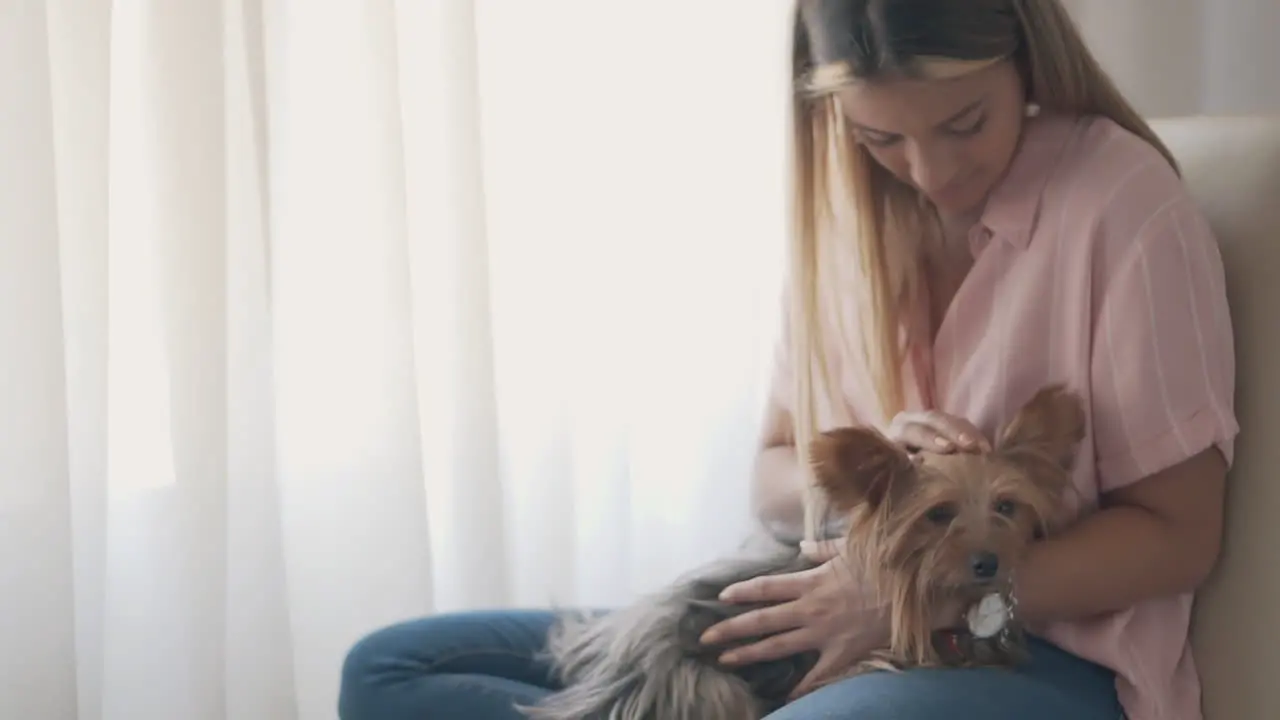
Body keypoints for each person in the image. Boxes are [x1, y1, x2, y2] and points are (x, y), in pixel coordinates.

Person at [337, 1, 1237, 718]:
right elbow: (771, 473)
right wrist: (879, 472)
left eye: (965, 123)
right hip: (816, 610)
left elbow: (1180, 536)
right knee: (392, 672)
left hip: (1029, 651)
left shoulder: (1124, 208)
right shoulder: (845, 218)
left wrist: (915, 599)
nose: (930, 173)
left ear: (1024, 60)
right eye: (882, 138)